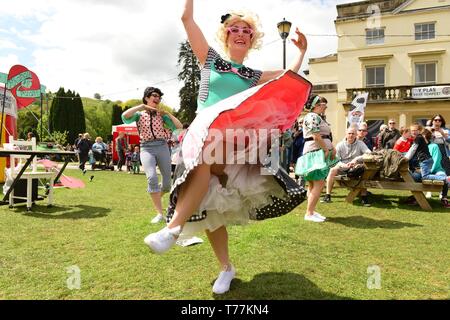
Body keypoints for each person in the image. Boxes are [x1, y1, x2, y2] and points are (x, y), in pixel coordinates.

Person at [144, 0, 310, 295]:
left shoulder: (253, 75)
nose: (241, 33)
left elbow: (287, 80)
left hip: (233, 142)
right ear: (226, 34)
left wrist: (301, 53)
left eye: (247, 30)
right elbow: (186, 17)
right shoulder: (209, 59)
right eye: (235, 28)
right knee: (209, 208)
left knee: (207, 168)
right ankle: (226, 268)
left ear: (252, 39)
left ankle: (172, 229)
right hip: (203, 133)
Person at [122, 87, 182, 224]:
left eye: (159, 97)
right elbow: (124, 116)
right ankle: (159, 213)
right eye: (154, 96)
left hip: (162, 146)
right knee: (152, 178)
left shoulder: (162, 116)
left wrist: (168, 113)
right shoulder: (139, 115)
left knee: (167, 184)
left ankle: (156, 196)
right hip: (146, 148)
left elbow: (178, 127)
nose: (157, 98)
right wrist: (141, 106)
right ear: (147, 98)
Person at [296, 95, 337, 222]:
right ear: (317, 105)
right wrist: (326, 149)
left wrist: (332, 147)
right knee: (319, 182)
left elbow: (324, 136)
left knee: (313, 183)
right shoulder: (312, 117)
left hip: (317, 151)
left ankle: (311, 211)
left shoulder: (317, 117)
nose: (325, 107)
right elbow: (316, 136)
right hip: (315, 152)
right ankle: (309, 213)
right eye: (324, 104)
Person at [322, 126, 372, 206]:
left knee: (365, 172)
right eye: (349, 133)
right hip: (343, 167)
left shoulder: (360, 143)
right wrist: (344, 165)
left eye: (353, 133)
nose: (351, 135)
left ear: (356, 134)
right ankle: (327, 196)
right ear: (346, 134)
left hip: (356, 167)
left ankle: (364, 197)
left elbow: (369, 153)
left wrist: (356, 159)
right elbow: (336, 160)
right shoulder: (340, 145)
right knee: (332, 170)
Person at [405, 124, 450, 208]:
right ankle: (416, 197)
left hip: (435, 170)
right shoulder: (420, 145)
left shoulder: (433, 146)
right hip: (423, 168)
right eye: (412, 131)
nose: (413, 133)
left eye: (424, 137)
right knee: (417, 176)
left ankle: (444, 198)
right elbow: (412, 156)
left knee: (439, 176)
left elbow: (436, 162)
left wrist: (428, 172)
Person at [292, 118, 305, 186]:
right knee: (297, 172)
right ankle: (298, 186)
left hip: (304, 156)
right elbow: (295, 147)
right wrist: (293, 160)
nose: (301, 124)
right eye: (300, 123)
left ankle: (301, 187)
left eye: (302, 122)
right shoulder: (297, 135)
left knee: (302, 174)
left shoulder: (308, 133)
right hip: (298, 156)